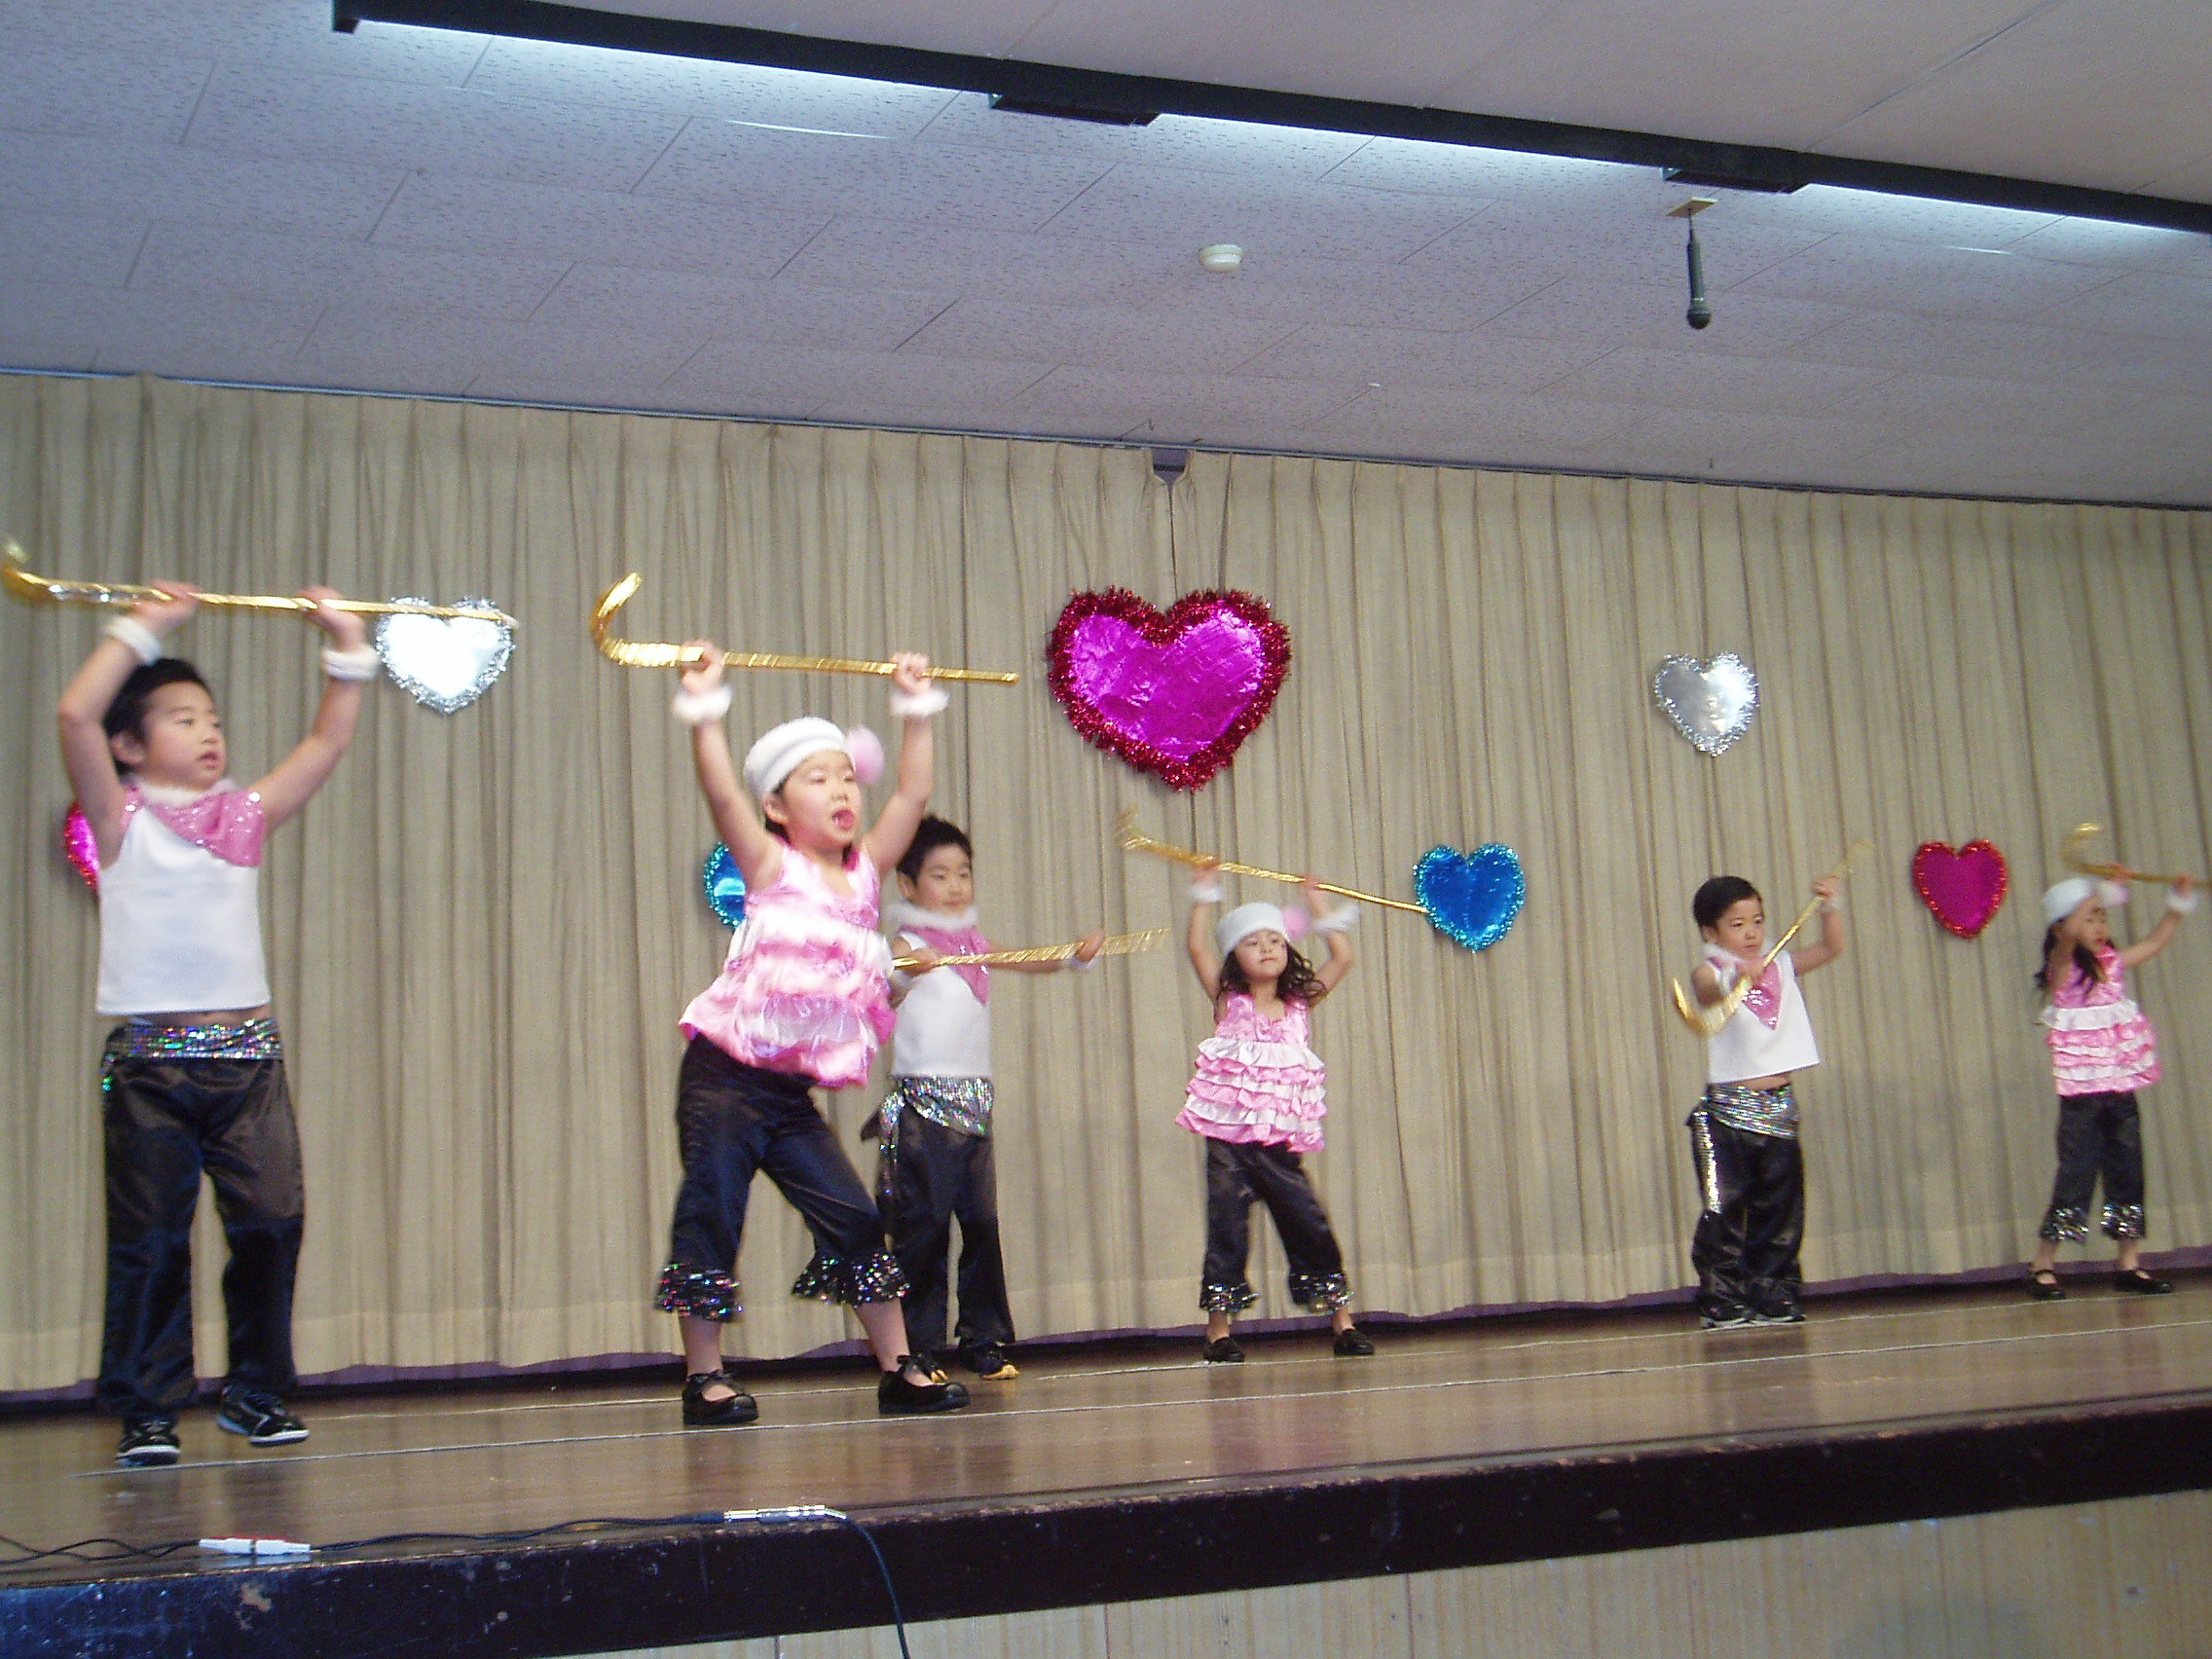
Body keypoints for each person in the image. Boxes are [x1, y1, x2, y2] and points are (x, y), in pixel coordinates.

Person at [56, 579, 376, 1466]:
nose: (208, 733)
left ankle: (256, 1393)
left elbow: (326, 741)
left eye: (213, 720)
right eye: (183, 719)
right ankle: (149, 1410)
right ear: (131, 745)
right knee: (152, 1242)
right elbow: (76, 715)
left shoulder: (243, 816)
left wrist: (346, 645)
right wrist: (141, 629)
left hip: (248, 1064)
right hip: (152, 1068)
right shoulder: (119, 818)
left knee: (272, 1223)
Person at [653, 641, 967, 1425]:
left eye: (846, 776)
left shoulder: (865, 874)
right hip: (724, 1080)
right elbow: (719, 790)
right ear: (777, 807)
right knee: (712, 1213)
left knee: (854, 1216)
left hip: (787, 1096)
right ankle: (704, 1378)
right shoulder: (770, 865)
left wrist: (915, 707)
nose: (841, 789)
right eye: (817, 778)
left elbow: (914, 790)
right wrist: (705, 709)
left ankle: (898, 1368)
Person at [875, 815, 1104, 1381]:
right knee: (924, 1231)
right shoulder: (905, 944)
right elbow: (881, 997)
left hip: (976, 1104)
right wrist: (904, 974)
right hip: (924, 1109)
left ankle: (982, 1337)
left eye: (964, 874)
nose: (956, 887)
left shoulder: (972, 944)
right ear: (907, 884)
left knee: (981, 1223)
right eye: (940, 875)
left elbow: (1026, 958)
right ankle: (919, 1349)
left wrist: (1074, 956)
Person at [1178, 865, 1373, 1363]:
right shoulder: (1229, 1002)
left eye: (1275, 940)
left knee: (1309, 1224)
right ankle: (1218, 1332)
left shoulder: (1299, 1004)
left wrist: (1317, 905)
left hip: (1279, 1146)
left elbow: (1343, 956)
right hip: (1229, 1145)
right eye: (1253, 942)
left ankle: (1343, 1323)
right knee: (1226, 1229)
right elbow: (1196, 947)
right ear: (1235, 957)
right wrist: (1204, 891)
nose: (1267, 948)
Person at [1683, 870, 1846, 1329]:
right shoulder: (1712, 971)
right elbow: (1706, 994)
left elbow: (1831, 947)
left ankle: (1774, 1293)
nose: (1752, 933)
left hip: (1779, 1108)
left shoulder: (1781, 965)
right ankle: (1723, 1298)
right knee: (1724, 1210)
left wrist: (1830, 905)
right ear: (1710, 932)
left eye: (1757, 921)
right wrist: (1736, 975)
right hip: (1727, 1115)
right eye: (1737, 925)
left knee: (1780, 1209)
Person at [2025, 871, 2194, 1300]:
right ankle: (2043, 1262)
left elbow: (2154, 943)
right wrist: (2096, 892)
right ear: (2063, 926)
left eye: (2103, 917)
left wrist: (2177, 904)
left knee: (2128, 1170)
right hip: (2082, 1096)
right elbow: (2067, 941)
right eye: (2090, 918)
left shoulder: (2112, 964)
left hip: (2119, 1089)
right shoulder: (2063, 969)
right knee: (2076, 1174)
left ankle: (2128, 1262)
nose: (2100, 925)